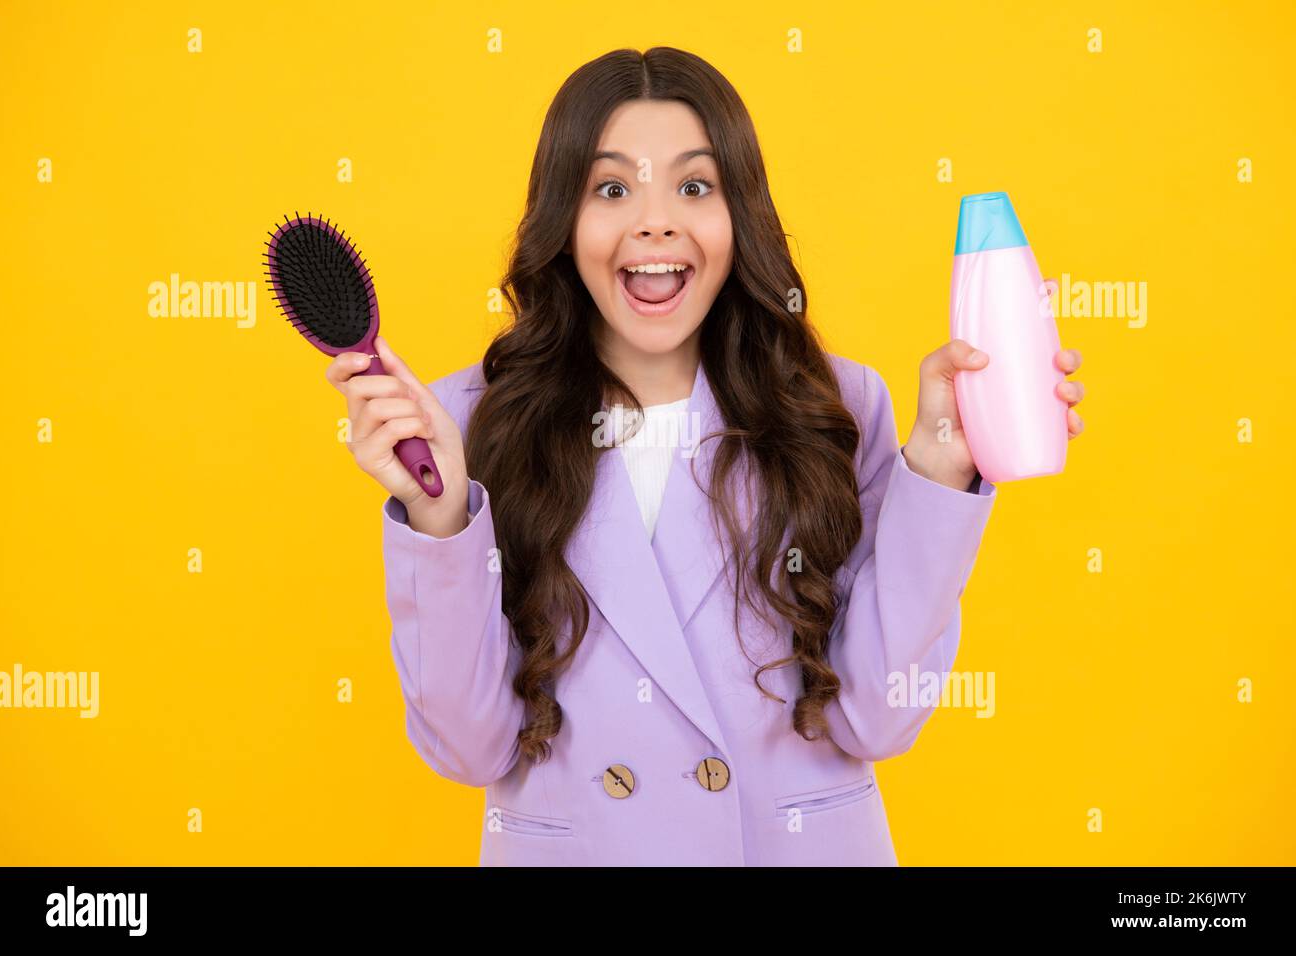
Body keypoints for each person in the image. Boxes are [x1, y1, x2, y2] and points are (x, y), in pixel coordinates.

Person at [325, 47, 1086, 865]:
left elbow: (877, 716)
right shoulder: (469, 422)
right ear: (563, 222)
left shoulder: (835, 407)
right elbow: (471, 749)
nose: (655, 222)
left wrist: (940, 469)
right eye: (612, 188)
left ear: (739, 217)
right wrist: (441, 522)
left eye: (694, 187)